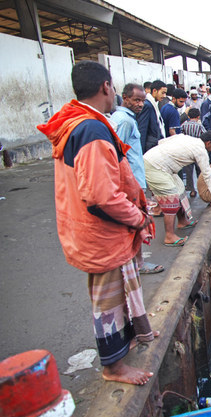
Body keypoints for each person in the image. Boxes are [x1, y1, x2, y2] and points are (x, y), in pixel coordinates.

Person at [37, 61, 157, 386]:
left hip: (95, 230)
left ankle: (137, 335)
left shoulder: (79, 123)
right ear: (106, 86)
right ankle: (113, 367)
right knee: (108, 298)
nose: (114, 91)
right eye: (114, 86)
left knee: (122, 286)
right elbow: (101, 196)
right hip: (99, 234)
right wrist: (138, 218)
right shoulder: (90, 129)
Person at [110, 83, 164, 275]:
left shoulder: (126, 119)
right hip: (130, 181)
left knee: (137, 223)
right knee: (135, 224)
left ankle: (136, 261)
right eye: (136, 100)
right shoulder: (124, 121)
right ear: (125, 98)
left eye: (142, 100)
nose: (140, 104)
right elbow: (117, 154)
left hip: (134, 180)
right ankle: (137, 263)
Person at [143, 131, 211, 246]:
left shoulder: (185, 138)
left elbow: (162, 142)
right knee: (171, 199)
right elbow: (207, 174)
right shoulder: (201, 151)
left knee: (180, 190)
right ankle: (169, 236)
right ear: (209, 143)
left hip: (158, 164)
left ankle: (183, 221)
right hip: (155, 167)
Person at [181, 108, 207, 197]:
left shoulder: (184, 125)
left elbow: (181, 135)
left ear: (188, 116)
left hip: (187, 151)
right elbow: (205, 135)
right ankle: (201, 189)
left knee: (189, 172)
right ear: (198, 116)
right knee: (199, 171)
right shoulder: (199, 126)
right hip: (197, 150)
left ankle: (191, 190)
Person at [137, 80, 167, 153]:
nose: (164, 96)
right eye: (162, 93)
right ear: (154, 91)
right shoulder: (148, 106)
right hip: (150, 148)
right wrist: (141, 152)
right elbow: (142, 130)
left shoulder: (154, 104)